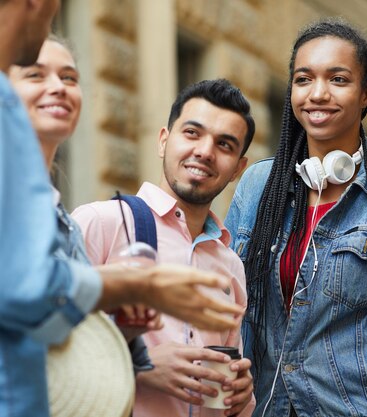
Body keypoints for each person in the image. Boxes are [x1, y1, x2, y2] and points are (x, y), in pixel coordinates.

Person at [0, 2, 241, 416]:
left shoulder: (56, 216)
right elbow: (18, 289)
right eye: (35, 74)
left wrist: (125, 338)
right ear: (163, 139)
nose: (58, 87)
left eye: (70, 77)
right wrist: (135, 287)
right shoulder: (98, 220)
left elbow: (50, 334)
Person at [225, 18, 367, 416]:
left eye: (338, 79)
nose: (317, 94)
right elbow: (229, 308)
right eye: (303, 79)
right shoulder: (258, 185)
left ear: (366, 94)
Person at [73, 79, 255, 417]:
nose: (204, 151)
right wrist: (136, 365)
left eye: (225, 144)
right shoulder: (101, 223)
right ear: (163, 140)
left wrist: (242, 398)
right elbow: (34, 339)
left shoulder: (230, 266)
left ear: (237, 170)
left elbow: (226, 383)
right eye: (192, 133)